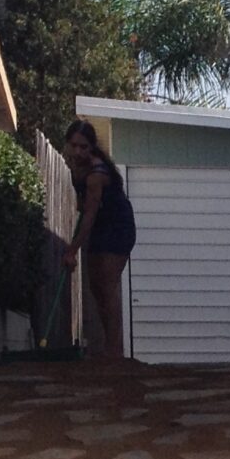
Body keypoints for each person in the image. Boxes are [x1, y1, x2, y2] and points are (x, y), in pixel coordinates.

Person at [63, 118, 136, 365]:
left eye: (84, 146)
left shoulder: (97, 174)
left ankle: (115, 350)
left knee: (107, 284)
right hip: (102, 226)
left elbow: (90, 215)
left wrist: (72, 251)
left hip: (118, 227)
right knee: (96, 286)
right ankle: (108, 346)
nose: (78, 151)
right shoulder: (77, 168)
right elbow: (83, 206)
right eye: (74, 145)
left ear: (91, 147)